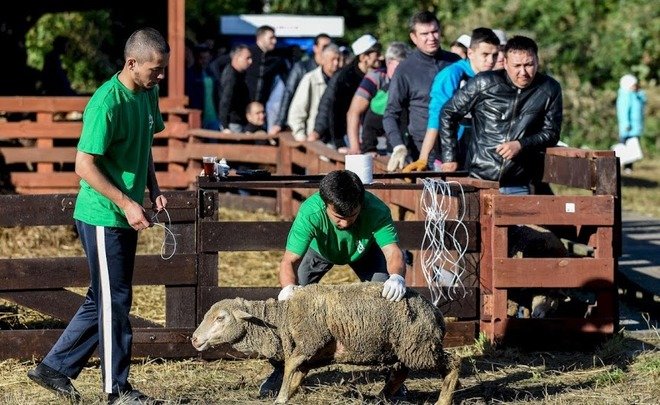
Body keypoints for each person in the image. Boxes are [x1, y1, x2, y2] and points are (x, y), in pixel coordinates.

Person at [27, 27, 169, 404]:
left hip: (126, 210)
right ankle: (116, 390)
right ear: (131, 63)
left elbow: (145, 143)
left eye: (163, 69)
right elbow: (84, 165)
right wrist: (126, 202)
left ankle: (53, 368)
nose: (161, 77)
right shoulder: (106, 103)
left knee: (103, 297)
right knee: (115, 301)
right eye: (155, 70)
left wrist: (153, 189)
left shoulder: (147, 93)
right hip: (102, 214)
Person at [259, 169, 407, 398]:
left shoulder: (376, 209)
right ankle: (281, 370)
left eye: (352, 215)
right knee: (292, 310)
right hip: (320, 251)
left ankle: (395, 376)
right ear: (325, 203)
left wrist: (397, 276)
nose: (345, 223)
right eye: (338, 217)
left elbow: (393, 252)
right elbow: (289, 260)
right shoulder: (311, 211)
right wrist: (288, 289)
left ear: (361, 203)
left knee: (387, 303)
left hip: (365, 251)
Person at [437, 35, 563, 195]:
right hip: (479, 177)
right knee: (472, 220)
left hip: (518, 179)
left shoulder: (549, 88)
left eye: (529, 65)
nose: (523, 72)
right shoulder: (484, 82)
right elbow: (448, 113)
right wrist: (449, 157)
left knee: (517, 220)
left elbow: (551, 133)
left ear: (537, 61)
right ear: (505, 63)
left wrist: (521, 144)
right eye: (517, 66)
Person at [404, 28, 500, 172]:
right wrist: (423, 157)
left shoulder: (493, 78)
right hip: (450, 153)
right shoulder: (452, 74)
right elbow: (437, 115)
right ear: (470, 53)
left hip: (479, 152)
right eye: (485, 55)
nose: (490, 61)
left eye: (495, 55)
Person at [383, 11, 460, 172]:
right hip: (423, 150)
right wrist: (398, 145)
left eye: (434, 31)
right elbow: (391, 113)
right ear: (413, 37)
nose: (431, 38)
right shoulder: (405, 69)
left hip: (458, 144)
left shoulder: (455, 62)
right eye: (424, 34)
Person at [311, 34, 382, 149]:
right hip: (348, 137)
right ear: (364, 57)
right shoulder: (345, 77)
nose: (381, 58)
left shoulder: (380, 73)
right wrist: (339, 143)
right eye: (377, 54)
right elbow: (334, 110)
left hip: (373, 137)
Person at [345, 41, 411, 155]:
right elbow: (353, 112)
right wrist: (355, 147)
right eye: (401, 65)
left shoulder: (409, 80)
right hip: (370, 138)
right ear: (390, 63)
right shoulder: (376, 78)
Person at [269, 33, 332, 136]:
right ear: (315, 48)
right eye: (324, 47)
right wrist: (279, 122)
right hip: (302, 123)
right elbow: (288, 93)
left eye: (329, 47)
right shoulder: (301, 67)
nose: (327, 50)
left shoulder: (333, 71)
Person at [287, 43, 340, 141]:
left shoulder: (342, 80)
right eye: (332, 59)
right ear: (323, 60)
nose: (336, 63)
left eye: (338, 59)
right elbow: (297, 112)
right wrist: (301, 137)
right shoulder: (311, 79)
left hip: (336, 138)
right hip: (314, 138)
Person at [185, 44, 221, 130]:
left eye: (206, 58)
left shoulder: (211, 72)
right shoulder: (190, 73)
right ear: (196, 58)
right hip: (198, 115)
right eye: (201, 58)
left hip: (213, 116)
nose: (204, 61)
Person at [616, 74, 647, 173]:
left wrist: (640, 93)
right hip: (628, 128)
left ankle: (628, 167)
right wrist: (625, 124)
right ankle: (619, 164)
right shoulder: (625, 96)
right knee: (624, 147)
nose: (635, 86)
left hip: (635, 128)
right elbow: (623, 112)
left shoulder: (635, 95)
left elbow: (643, 101)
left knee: (633, 148)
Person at [219, 44, 252, 133]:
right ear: (237, 58)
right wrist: (225, 125)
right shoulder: (231, 76)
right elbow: (225, 100)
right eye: (247, 58)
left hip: (240, 121)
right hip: (233, 123)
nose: (250, 61)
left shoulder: (241, 74)